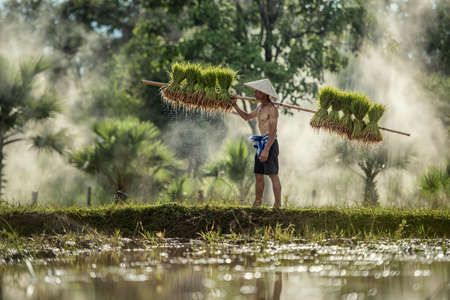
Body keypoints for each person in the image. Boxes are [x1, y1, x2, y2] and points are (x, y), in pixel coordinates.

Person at [231, 79, 281, 208]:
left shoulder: (271, 109)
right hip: (261, 143)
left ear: (264, 94)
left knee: (272, 175)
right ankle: (258, 202)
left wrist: (266, 150)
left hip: (270, 143)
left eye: (257, 91)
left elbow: (273, 131)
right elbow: (247, 116)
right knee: (258, 174)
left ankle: (277, 204)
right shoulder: (260, 108)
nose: (254, 93)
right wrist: (235, 106)